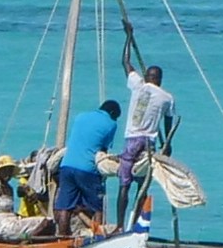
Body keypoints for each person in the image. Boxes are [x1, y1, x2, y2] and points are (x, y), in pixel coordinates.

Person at [117, 65, 177, 222]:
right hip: (148, 143)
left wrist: (128, 42)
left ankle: (119, 224)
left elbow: (126, 62)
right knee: (142, 185)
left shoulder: (139, 85)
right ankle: (135, 219)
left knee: (124, 185)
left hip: (131, 140)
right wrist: (167, 144)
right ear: (160, 79)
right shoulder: (167, 98)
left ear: (147, 76)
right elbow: (168, 124)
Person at [57, 99, 120, 231]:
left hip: (66, 166)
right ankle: (98, 235)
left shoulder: (81, 116)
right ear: (113, 113)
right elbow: (103, 150)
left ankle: (62, 238)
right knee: (97, 206)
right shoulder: (111, 124)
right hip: (87, 169)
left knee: (65, 206)